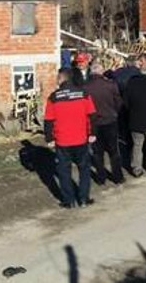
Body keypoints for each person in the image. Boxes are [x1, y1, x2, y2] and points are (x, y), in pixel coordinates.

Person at [45, 69, 97, 208]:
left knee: (63, 171)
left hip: (62, 141)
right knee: (84, 169)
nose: (56, 80)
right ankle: (84, 198)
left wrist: (49, 138)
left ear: (62, 78)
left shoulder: (53, 97)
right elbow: (92, 116)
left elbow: (48, 120)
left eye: (57, 77)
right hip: (81, 138)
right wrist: (93, 133)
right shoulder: (83, 94)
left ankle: (69, 200)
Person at [83, 63, 125, 185]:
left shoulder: (85, 88)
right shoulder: (110, 85)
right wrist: (115, 113)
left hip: (93, 123)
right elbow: (118, 103)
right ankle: (118, 177)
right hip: (110, 121)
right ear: (101, 72)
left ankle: (101, 178)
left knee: (97, 152)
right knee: (114, 151)